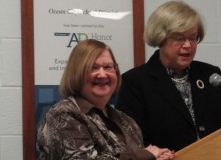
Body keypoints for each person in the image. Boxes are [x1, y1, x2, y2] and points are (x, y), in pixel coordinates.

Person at [115, 0, 221, 152]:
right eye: (179, 38)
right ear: (160, 38)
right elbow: (131, 144)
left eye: (193, 38)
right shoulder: (135, 82)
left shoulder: (210, 75)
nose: (188, 45)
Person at [37, 39, 175, 160]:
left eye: (108, 67)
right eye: (93, 67)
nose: (102, 74)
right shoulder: (63, 114)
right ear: (77, 73)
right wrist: (144, 155)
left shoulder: (127, 122)